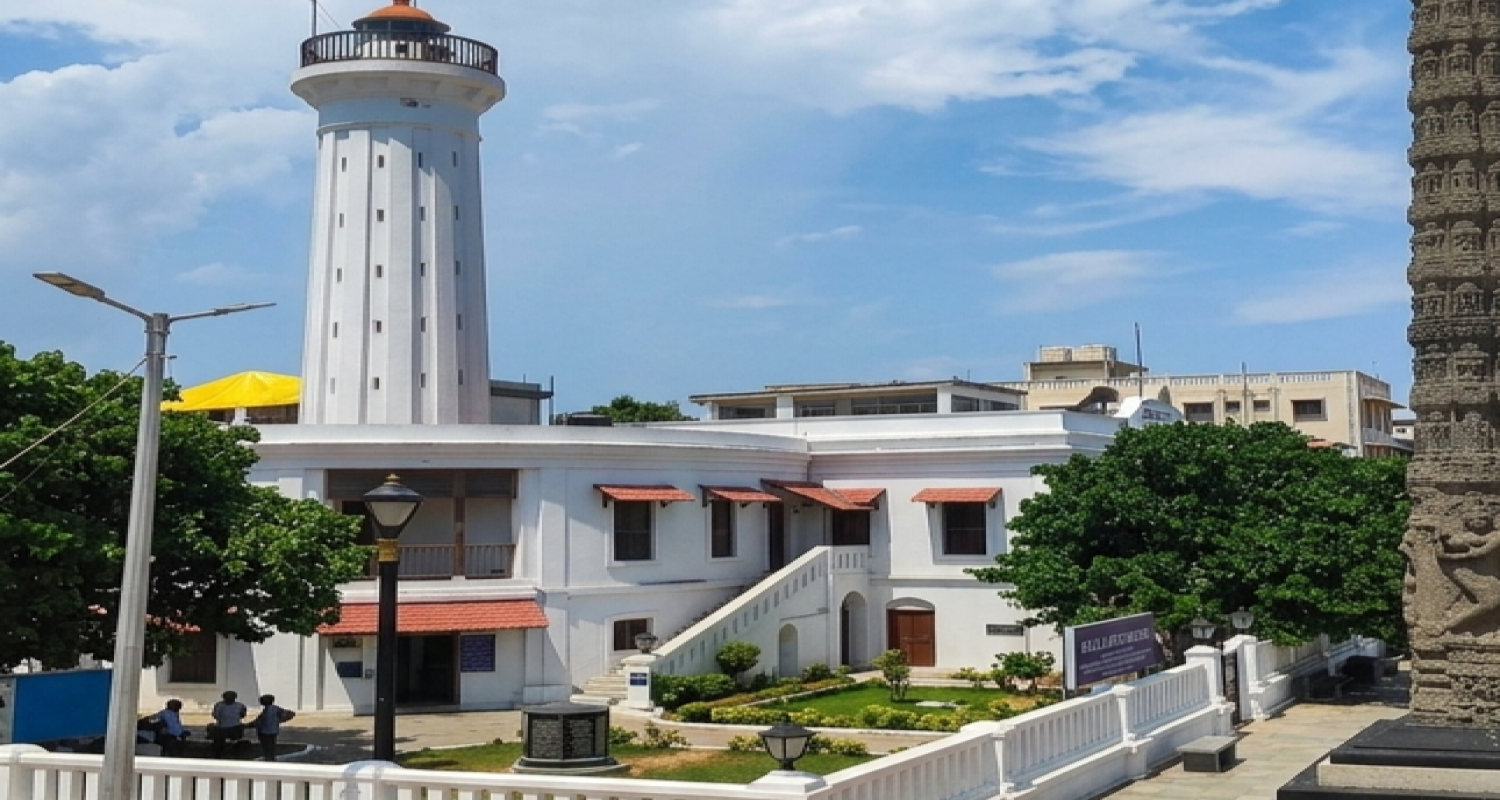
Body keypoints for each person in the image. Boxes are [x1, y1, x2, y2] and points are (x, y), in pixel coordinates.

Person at [251, 694, 294, 762]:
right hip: (272, 731)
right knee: (270, 745)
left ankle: (269, 758)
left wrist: (281, 720)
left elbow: (258, 721)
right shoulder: (273, 709)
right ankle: (270, 758)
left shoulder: (271, 710)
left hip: (265, 731)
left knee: (267, 746)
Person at [209, 690, 248, 758]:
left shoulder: (218, 705)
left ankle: (218, 751)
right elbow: (242, 716)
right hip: (235, 728)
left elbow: (215, 716)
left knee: (211, 726)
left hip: (222, 729)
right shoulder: (241, 706)